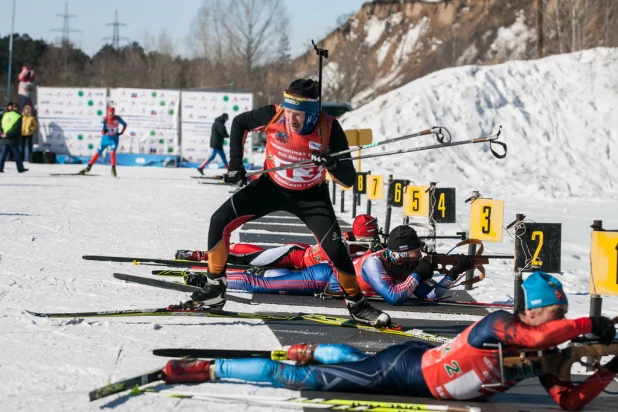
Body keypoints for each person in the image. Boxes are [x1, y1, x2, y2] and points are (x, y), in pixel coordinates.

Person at [161, 271, 618, 410]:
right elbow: (535, 335)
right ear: (533, 309)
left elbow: (570, 402)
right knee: (294, 377)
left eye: (564, 314)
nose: (562, 318)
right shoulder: (499, 323)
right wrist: (586, 326)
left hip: (422, 362)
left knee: (351, 358)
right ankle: (208, 367)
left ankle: (317, 348)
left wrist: (611, 370)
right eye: (557, 312)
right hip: (401, 372)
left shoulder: (545, 350)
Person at [188, 79, 390, 326]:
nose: (292, 120)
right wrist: (236, 165)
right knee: (219, 220)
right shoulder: (274, 114)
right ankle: (215, 289)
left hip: (311, 197)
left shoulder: (329, 128)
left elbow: (349, 179)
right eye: (289, 112)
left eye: (299, 115)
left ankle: (357, 305)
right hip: (270, 187)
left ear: (313, 113)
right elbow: (240, 123)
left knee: (336, 251)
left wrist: (331, 163)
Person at [184, 225, 467, 306]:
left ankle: (217, 274)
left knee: (269, 274)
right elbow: (395, 297)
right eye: (416, 252)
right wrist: (420, 272)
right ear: (402, 253)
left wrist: (453, 273)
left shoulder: (402, 267)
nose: (420, 256)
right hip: (321, 278)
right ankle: (208, 278)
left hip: (324, 276)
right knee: (261, 281)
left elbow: (428, 296)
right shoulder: (373, 264)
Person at [175, 214, 384, 265]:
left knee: (255, 251)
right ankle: (202, 256)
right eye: (372, 234)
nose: (374, 239)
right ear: (365, 234)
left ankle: (221, 249)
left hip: (302, 253)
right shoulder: (342, 240)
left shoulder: (352, 240)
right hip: (295, 256)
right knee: (249, 260)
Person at [78, 107, 127, 177]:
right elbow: (102, 131)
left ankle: (113, 169)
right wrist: (104, 131)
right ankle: (88, 167)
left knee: (112, 153)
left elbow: (125, 124)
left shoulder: (118, 118)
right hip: (105, 139)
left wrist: (121, 132)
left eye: (112, 114)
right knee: (98, 153)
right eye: (109, 114)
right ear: (107, 113)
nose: (111, 115)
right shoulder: (104, 119)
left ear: (114, 113)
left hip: (114, 140)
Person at [0, 102, 28, 174]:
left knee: (3, 154)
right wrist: (8, 134)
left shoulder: (5, 115)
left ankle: (0, 168)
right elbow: (16, 129)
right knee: (17, 155)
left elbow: (1, 125)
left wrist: (2, 133)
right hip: (13, 139)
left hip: (4, 138)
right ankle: (20, 168)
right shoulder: (18, 116)